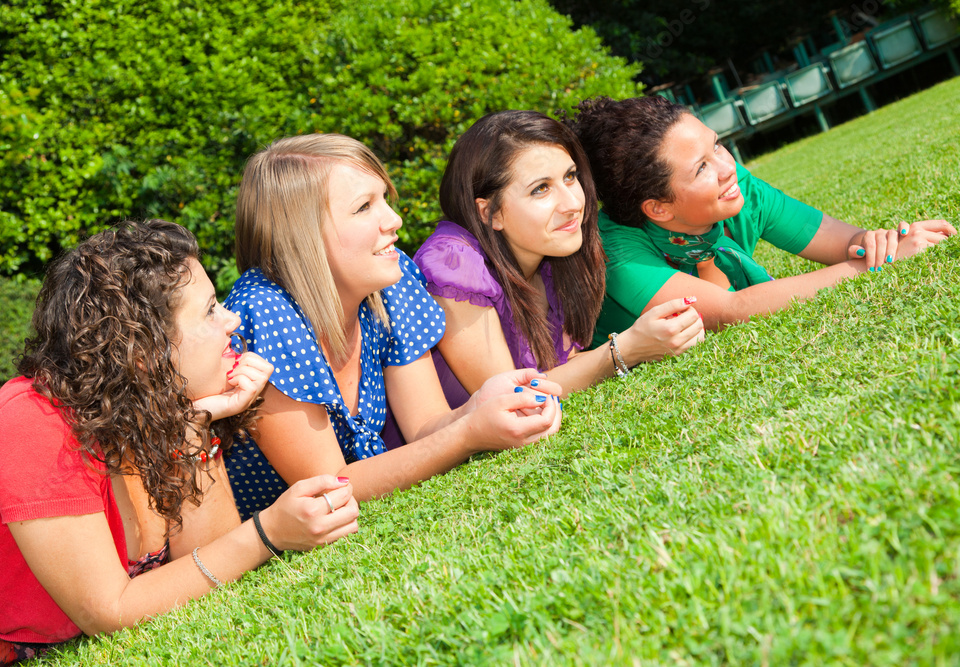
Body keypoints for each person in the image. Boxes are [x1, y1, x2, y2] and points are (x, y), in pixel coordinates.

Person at [0, 220, 359, 666]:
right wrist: (268, 533)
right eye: (210, 310)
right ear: (144, 352)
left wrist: (197, 424)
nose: (233, 320)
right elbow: (109, 612)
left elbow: (208, 567)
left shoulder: (153, 407)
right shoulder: (34, 425)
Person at [223, 134, 562, 519]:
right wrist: (469, 434)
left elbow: (426, 426)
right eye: (364, 207)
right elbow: (331, 487)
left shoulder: (389, 279)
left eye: (384, 198)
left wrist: (482, 404)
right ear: (302, 236)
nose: (394, 220)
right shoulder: (265, 312)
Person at [564, 95, 956, 341]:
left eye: (716, 145)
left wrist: (886, 244)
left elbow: (842, 243)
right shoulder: (616, 251)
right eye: (700, 168)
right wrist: (877, 264)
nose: (726, 167)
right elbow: (730, 311)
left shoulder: (738, 188)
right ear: (658, 208)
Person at [413, 110, 704, 405]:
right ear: (490, 213)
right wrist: (626, 348)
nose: (574, 203)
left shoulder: (550, 260)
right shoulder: (453, 262)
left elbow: (564, 371)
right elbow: (509, 400)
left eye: (570, 176)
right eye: (541, 189)